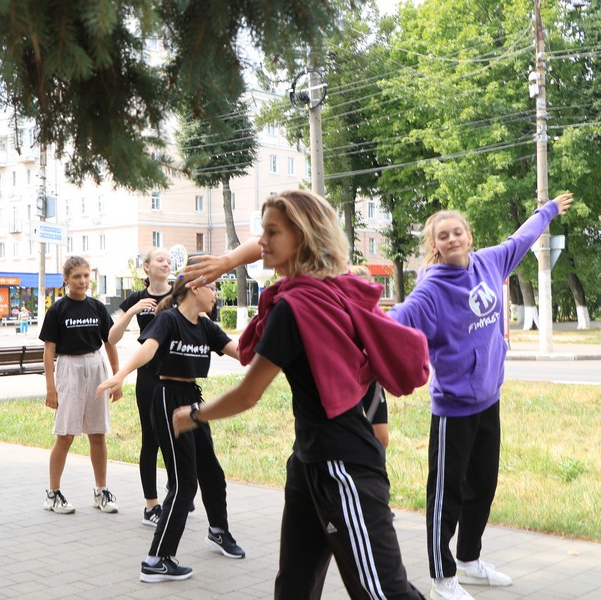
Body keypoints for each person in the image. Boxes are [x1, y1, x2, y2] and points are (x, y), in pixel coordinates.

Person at [173, 189, 431, 599]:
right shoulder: (328, 290)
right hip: (310, 463)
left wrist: (195, 414)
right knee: (293, 588)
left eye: (272, 233)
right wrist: (227, 261)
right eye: (263, 232)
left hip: (342, 467)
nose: (263, 242)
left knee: (383, 593)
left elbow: (247, 395)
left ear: (303, 236)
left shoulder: (295, 307)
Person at [388, 192, 574, 600]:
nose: (452, 239)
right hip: (453, 408)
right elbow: (396, 318)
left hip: (489, 400)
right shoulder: (431, 290)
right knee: (445, 495)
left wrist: (547, 211)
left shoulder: (490, 261)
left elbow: (521, 240)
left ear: (469, 236)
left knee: (483, 485)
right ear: (434, 244)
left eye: (457, 232)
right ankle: (442, 578)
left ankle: (469, 561)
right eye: (443, 236)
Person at [98, 274, 246, 583]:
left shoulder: (205, 326)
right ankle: (157, 559)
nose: (216, 295)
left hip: (192, 401)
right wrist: (121, 374)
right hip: (167, 399)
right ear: (194, 288)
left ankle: (218, 531)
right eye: (212, 288)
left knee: (212, 474)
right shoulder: (168, 320)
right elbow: (148, 349)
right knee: (183, 483)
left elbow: (244, 353)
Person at [39, 256, 122, 514]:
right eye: (77, 277)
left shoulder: (97, 307)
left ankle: (101, 492)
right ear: (66, 279)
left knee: (98, 434)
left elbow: (109, 343)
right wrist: (51, 387)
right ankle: (53, 494)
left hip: (96, 367)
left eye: (86, 276)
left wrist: (116, 377)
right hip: (69, 368)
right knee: (65, 435)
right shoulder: (57, 310)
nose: (83, 281)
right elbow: (49, 351)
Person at [107, 247, 173, 526]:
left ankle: (177, 493)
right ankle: (151, 506)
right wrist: (131, 310)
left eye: (169, 261)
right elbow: (111, 337)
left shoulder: (179, 294)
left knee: (178, 437)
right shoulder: (137, 298)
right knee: (151, 439)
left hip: (176, 375)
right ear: (146, 268)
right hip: (148, 376)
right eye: (160, 259)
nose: (166, 263)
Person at [349, 265, 389, 450]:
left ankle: (375, 472)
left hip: (372, 379)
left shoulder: (377, 316)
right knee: (351, 432)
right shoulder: (342, 315)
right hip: (349, 380)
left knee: (381, 438)